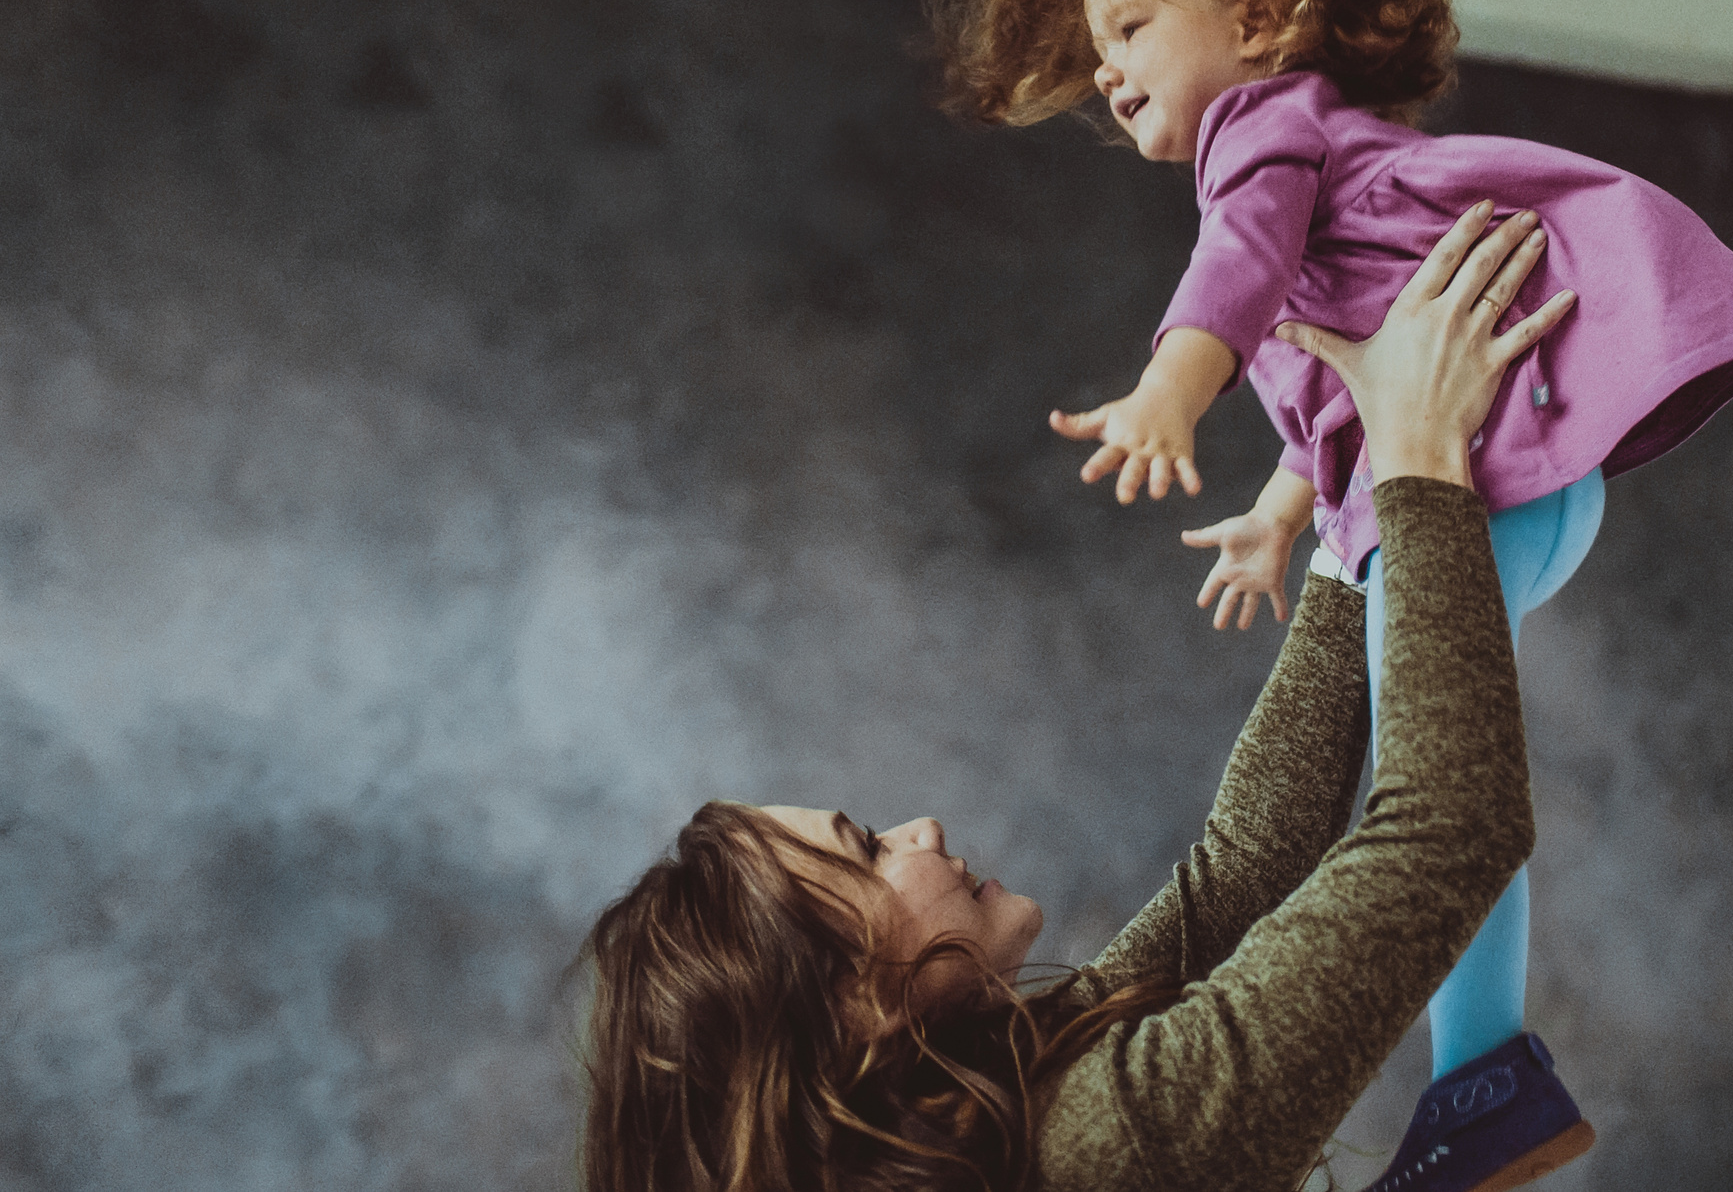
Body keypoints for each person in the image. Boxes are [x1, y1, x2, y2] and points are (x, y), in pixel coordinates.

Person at [933, 0, 1733, 1130]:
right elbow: (1341, 368)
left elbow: (1241, 266)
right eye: (1102, 45)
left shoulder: (1263, 143)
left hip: (1481, 486)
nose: (1109, 70)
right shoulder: (1305, 155)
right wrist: (1290, 511)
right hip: (1490, 483)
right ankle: (1486, 1070)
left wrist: (1176, 380)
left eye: (1135, 27)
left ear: (1266, 16)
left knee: (1438, 786)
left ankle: (1487, 1078)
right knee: (1434, 764)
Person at [579, 206, 1600, 1192]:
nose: (917, 827)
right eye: (864, 848)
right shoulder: (1103, 1149)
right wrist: (1418, 456)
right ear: (853, 1009)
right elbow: (1446, 830)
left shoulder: (1008, 1104)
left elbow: (1246, 867)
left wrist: (1347, 503)